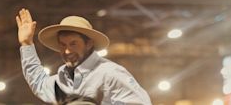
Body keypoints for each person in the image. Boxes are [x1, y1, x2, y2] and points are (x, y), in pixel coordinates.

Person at [16, 8, 152, 105]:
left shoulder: (110, 73)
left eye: (73, 44)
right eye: (63, 45)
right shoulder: (62, 80)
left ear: (89, 44)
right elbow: (39, 82)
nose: (67, 51)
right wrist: (27, 44)